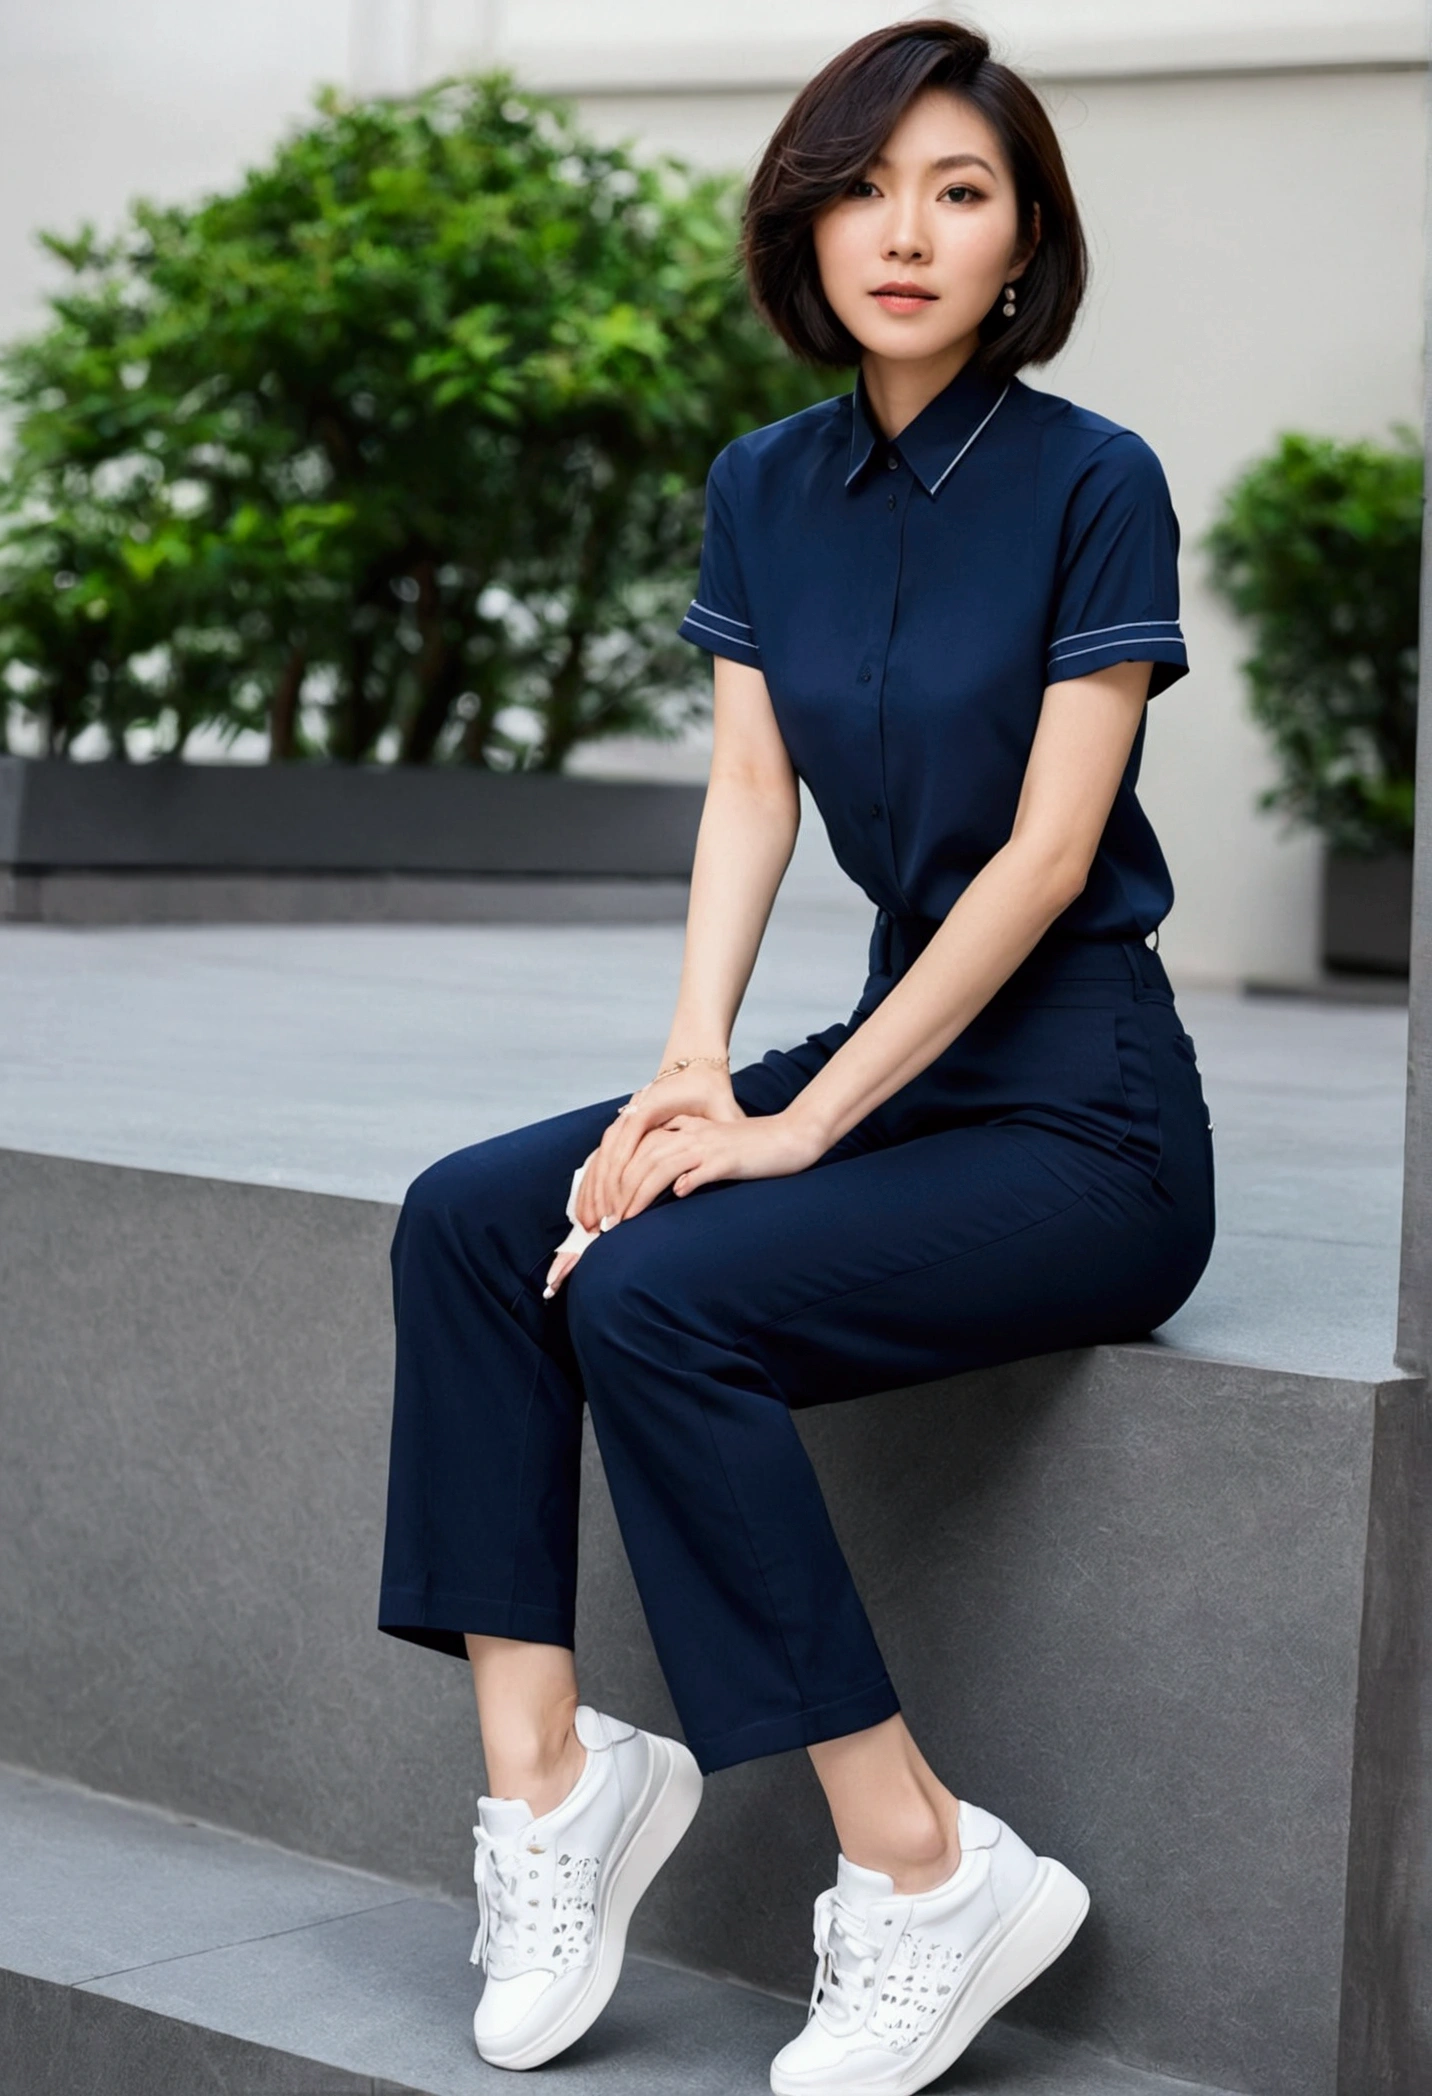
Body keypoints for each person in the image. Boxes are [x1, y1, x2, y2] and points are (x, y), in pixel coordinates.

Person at [377, 17, 1216, 2094]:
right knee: (480, 1222)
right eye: (861, 189)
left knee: (657, 1297)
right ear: (804, 226)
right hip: (888, 1057)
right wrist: (692, 1067)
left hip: (1080, 1109)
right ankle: (548, 1779)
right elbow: (748, 788)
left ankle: (919, 1859)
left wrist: (793, 1123)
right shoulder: (765, 482)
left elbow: (1036, 860)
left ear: (1021, 240)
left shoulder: (1089, 481)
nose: (903, 232)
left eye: (957, 190)